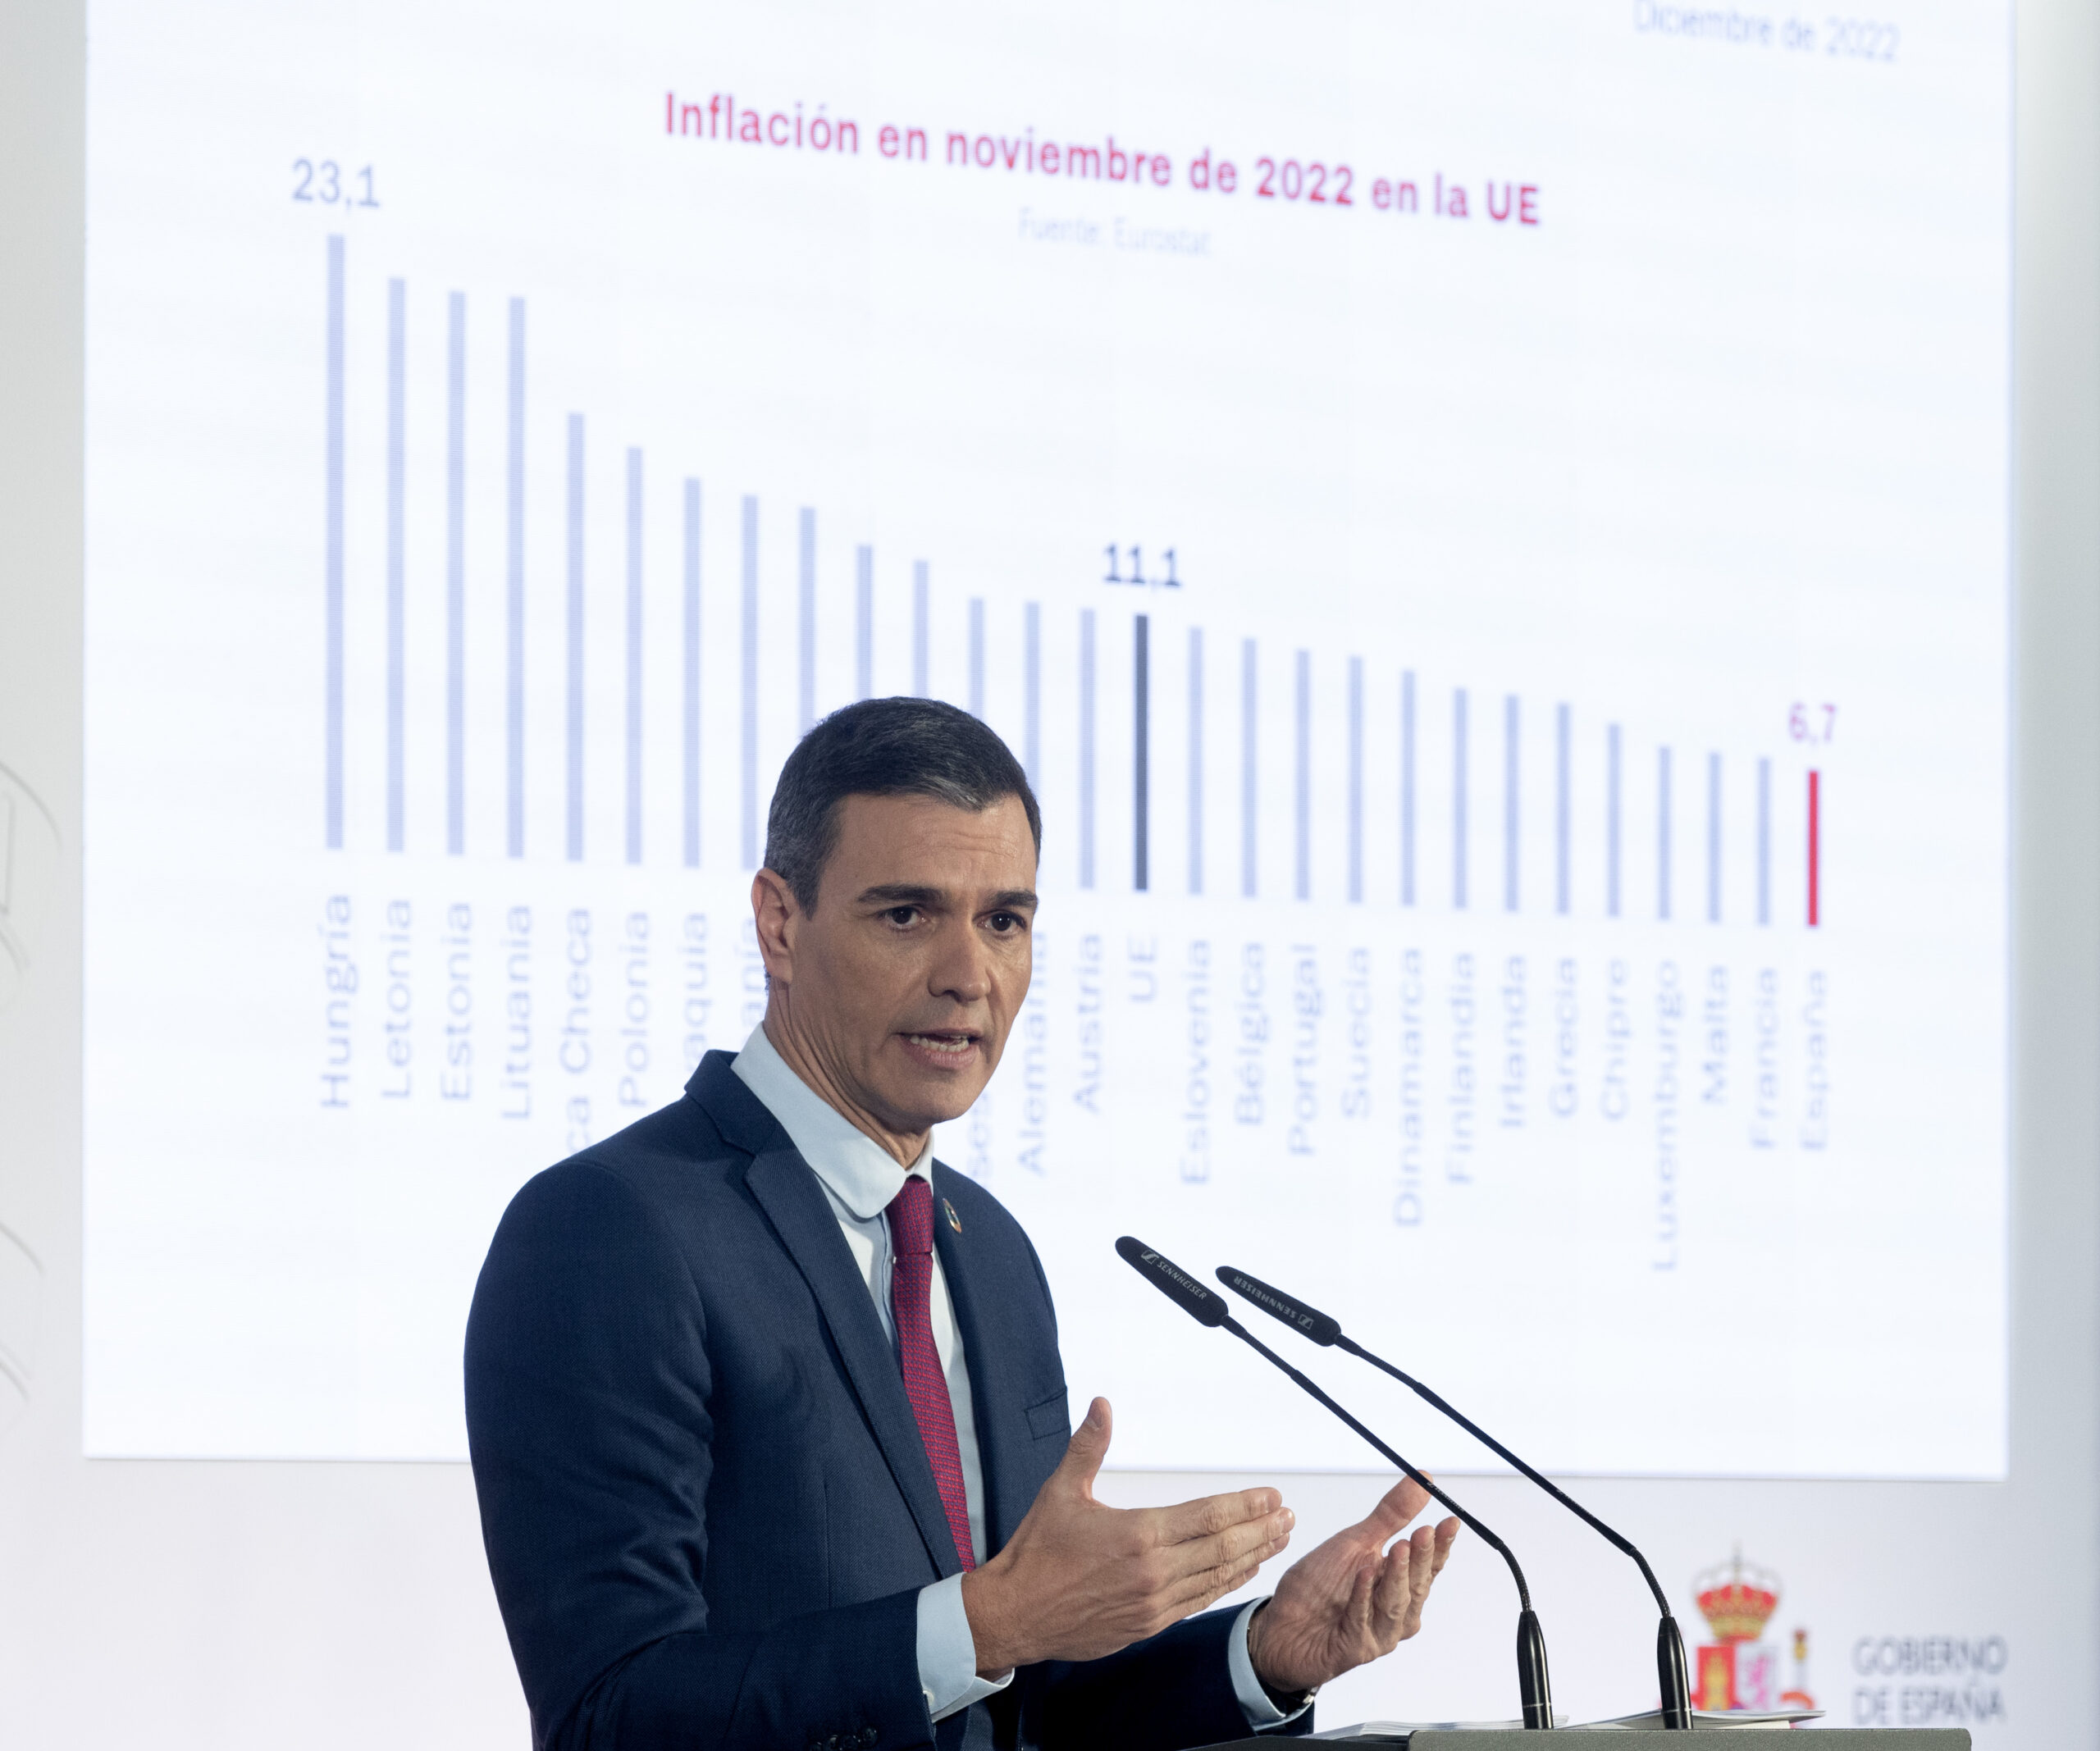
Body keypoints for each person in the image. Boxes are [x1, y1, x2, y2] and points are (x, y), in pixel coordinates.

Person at [465, 697, 1460, 1751]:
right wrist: (985, 1621)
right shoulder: (608, 1230)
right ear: (779, 923)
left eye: (1004, 921)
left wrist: (1259, 1656)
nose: (968, 975)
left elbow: (1028, 1703)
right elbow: (609, 1713)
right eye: (907, 914)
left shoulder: (988, 1247)